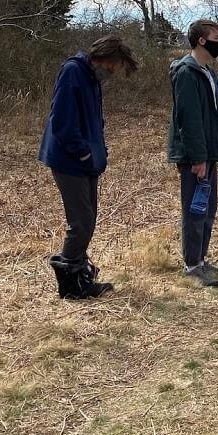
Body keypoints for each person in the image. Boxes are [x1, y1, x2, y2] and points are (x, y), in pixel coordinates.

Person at [38, 35, 138, 299]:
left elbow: (93, 120)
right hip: (67, 159)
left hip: (86, 161)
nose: (112, 74)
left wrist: (98, 151)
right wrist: (83, 153)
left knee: (88, 218)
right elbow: (62, 122)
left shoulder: (91, 78)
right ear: (104, 59)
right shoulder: (73, 72)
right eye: (113, 68)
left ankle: (81, 274)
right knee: (80, 221)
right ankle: (69, 282)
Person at [167, 20, 218, 288]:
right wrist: (197, 158)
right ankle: (192, 265)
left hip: (208, 152)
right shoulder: (186, 72)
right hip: (195, 155)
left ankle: (201, 259)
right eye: (216, 36)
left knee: (208, 207)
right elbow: (189, 118)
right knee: (195, 209)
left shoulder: (207, 71)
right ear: (201, 41)